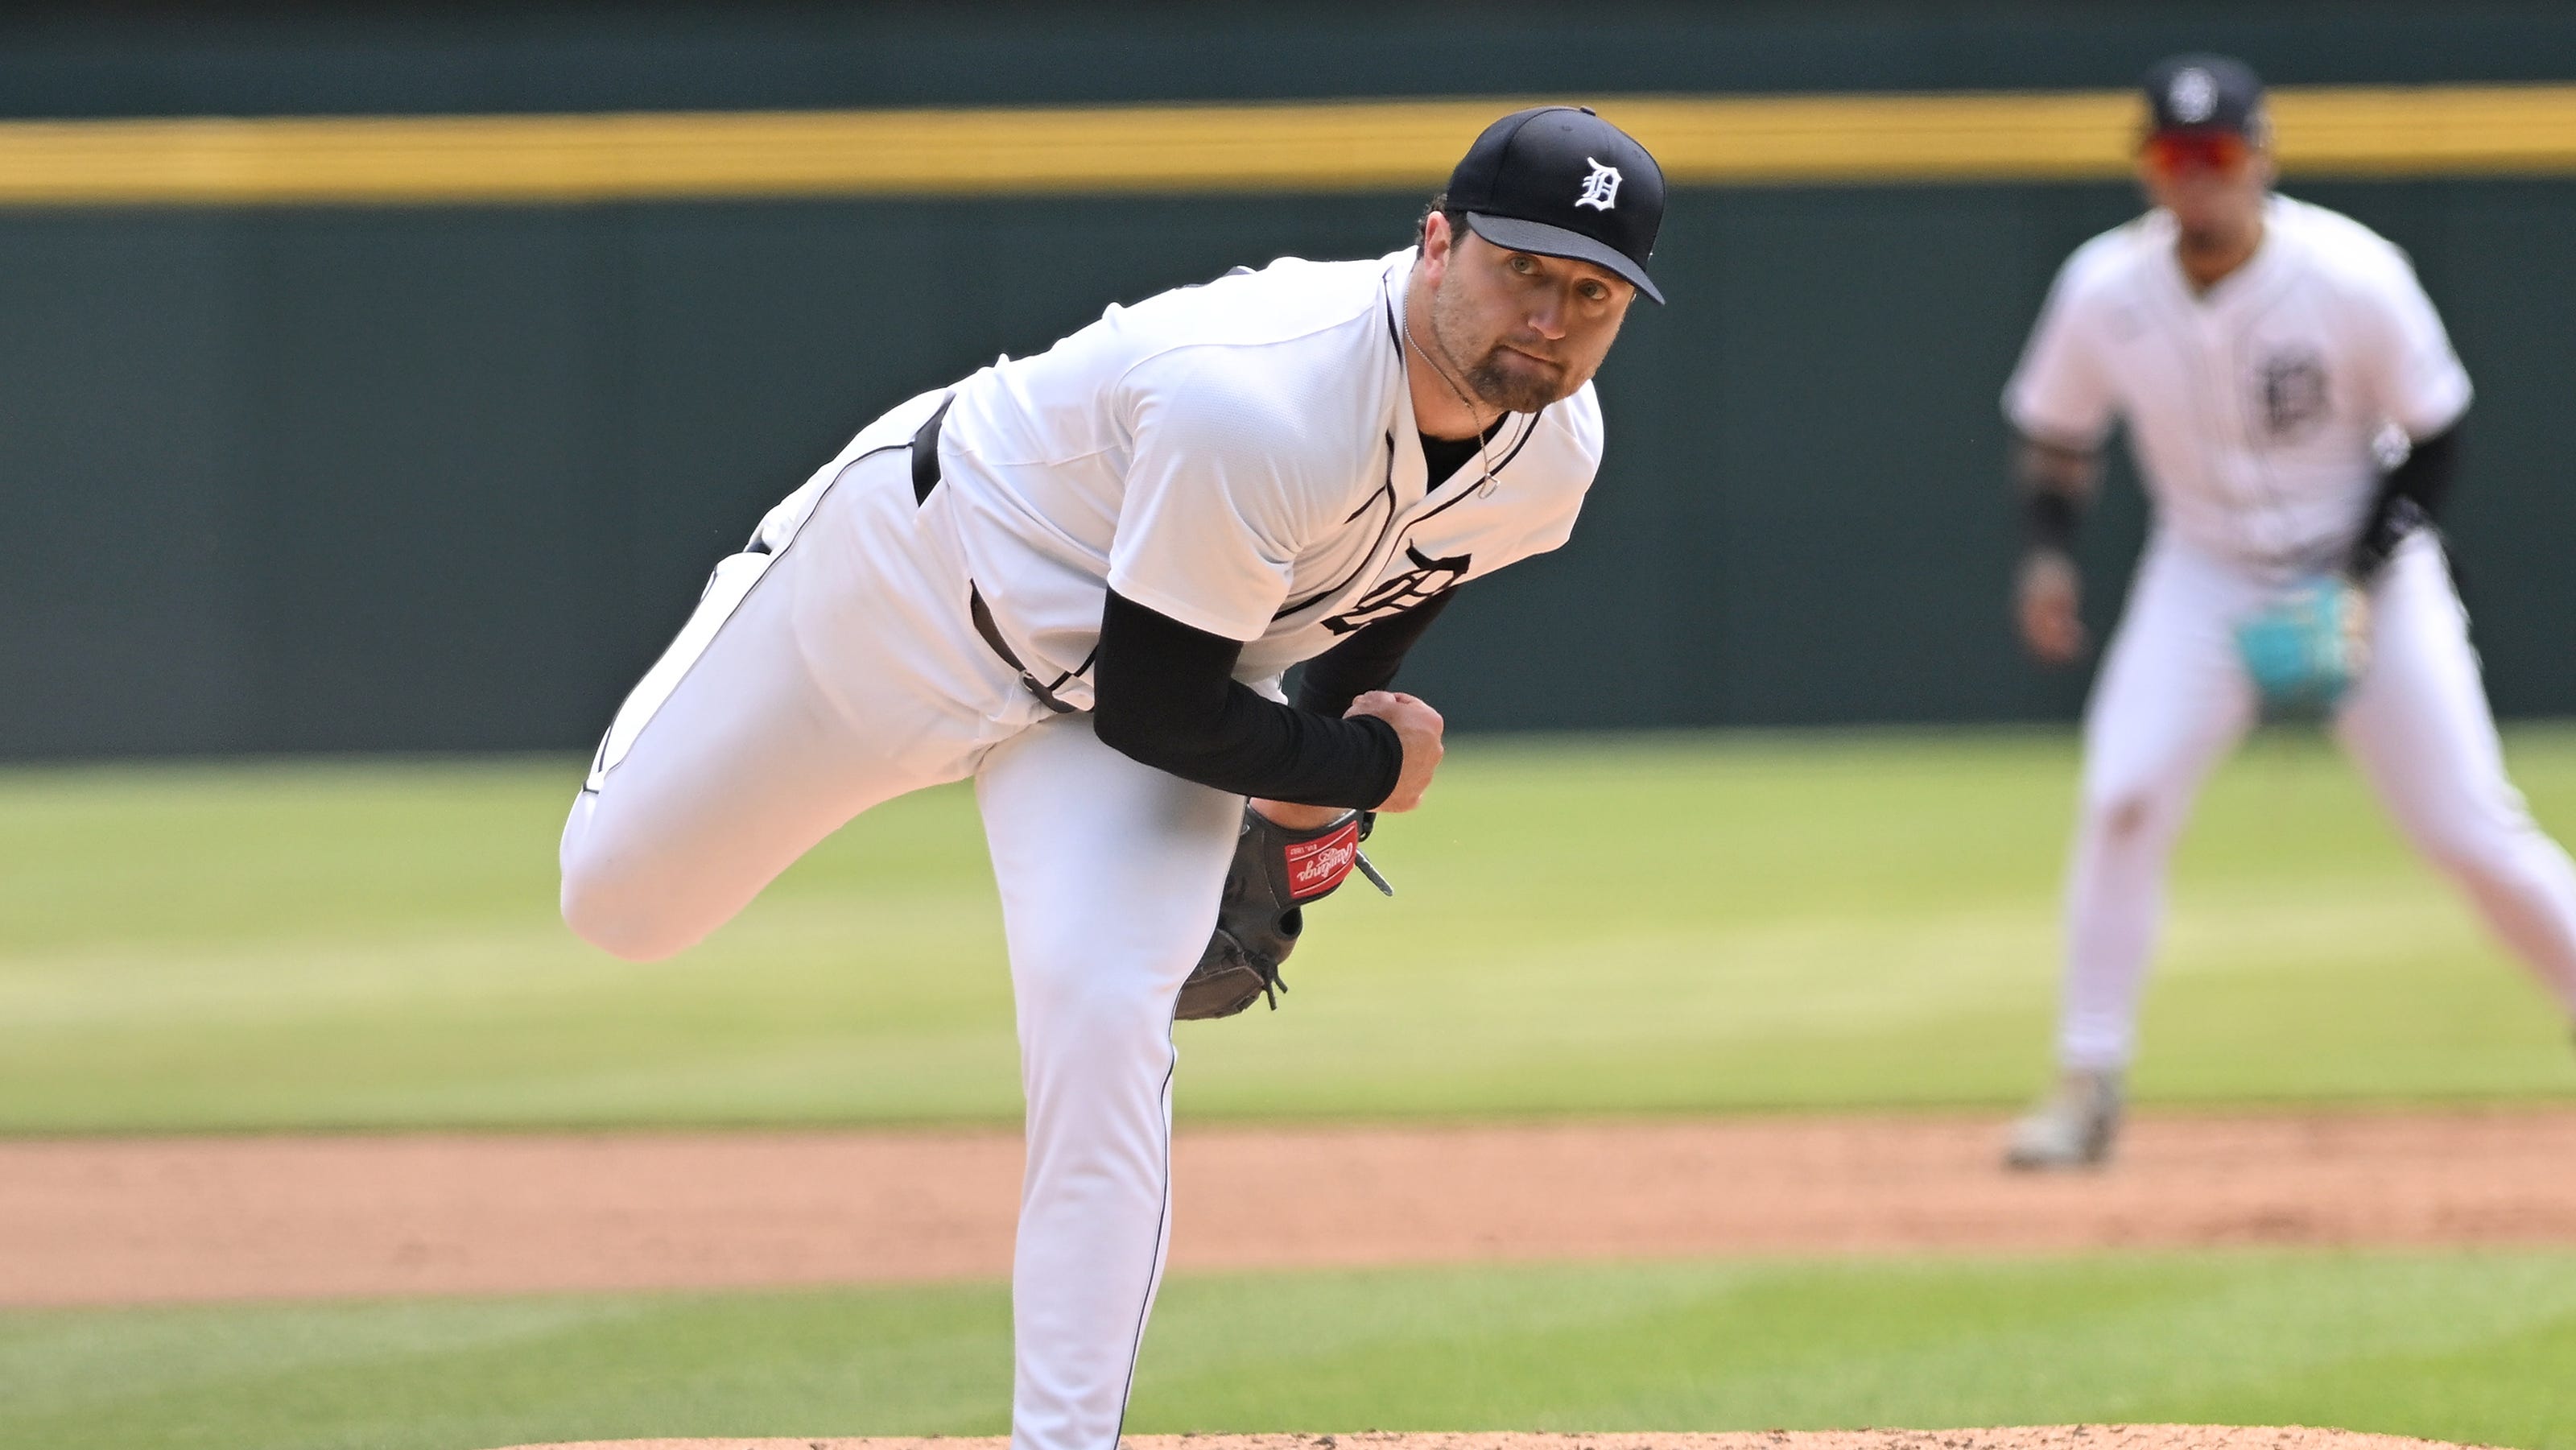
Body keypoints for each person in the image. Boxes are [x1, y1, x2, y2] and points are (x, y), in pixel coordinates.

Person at [559, 107, 1665, 1446]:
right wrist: (1361, 764)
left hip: (1119, 703)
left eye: (1592, 293)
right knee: (619, 904)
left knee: (1106, 1015)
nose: (1549, 317)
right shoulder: (1259, 394)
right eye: (1523, 269)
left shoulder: (1555, 456)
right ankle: (753, 591)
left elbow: (1383, 589)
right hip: (909, 596)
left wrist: (1313, 784)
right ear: (1436, 243)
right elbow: (1161, 705)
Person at [2000, 54, 2576, 1170]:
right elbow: (2057, 434)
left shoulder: (2353, 274)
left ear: (2261, 158)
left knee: (2469, 828)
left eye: (2218, 155)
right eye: (2176, 157)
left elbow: (2436, 431)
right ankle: (2087, 1079)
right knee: (2122, 796)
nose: (2199, 177)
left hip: (2368, 565)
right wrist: (2047, 559)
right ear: (2149, 170)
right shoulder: (2103, 289)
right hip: (2202, 571)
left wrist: (2358, 580)